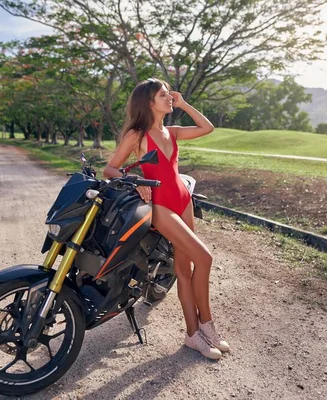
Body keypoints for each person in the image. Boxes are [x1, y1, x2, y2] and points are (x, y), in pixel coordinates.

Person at [103, 78, 230, 360]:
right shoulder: (136, 134)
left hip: (183, 199)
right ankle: (207, 326)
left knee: (183, 270)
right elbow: (110, 169)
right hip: (161, 206)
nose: (169, 98)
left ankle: (194, 334)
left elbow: (207, 128)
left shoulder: (172, 132)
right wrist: (134, 179)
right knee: (205, 258)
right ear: (150, 102)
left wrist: (184, 103)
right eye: (164, 95)